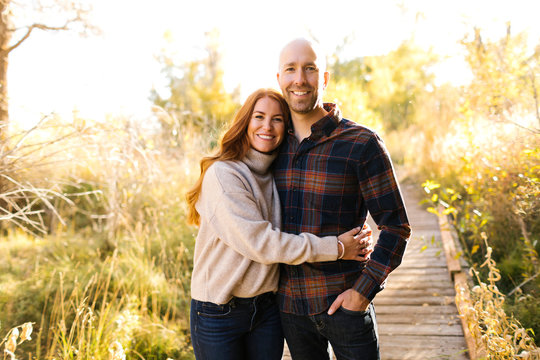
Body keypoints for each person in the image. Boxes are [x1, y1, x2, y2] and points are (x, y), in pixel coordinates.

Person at [185, 88, 374, 360]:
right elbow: (261, 243)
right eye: (259, 117)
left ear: (287, 127)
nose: (267, 126)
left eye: (277, 119)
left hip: (267, 310)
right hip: (219, 311)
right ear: (245, 123)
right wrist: (337, 248)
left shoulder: (278, 171)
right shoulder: (224, 175)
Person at [274, 38, 412, 360]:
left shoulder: (361, 143)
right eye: (290, 69)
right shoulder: (271, 145)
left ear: (324, 78)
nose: (300, 79)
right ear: (279, 79)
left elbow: (396, 227)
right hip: (291, 309)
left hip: (346, 306)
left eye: (310, 68)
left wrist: (361, 295)